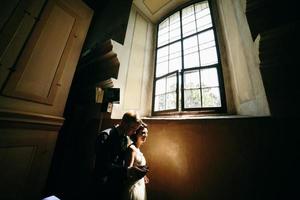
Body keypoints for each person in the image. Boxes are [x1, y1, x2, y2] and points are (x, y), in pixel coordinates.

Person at [93, 111, 148, 200]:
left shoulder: (126, 139)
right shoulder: (106, 136)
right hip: (104, 183)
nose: (134, 132)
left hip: (117, 184)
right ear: (124, 123)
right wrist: (127, 170)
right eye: (133, 128)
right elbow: (103, 164)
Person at [123, 123, 149, 200]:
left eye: (147, 133)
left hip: (140, 184)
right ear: (136, 134)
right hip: (133, 186)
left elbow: (137, 165)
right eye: (143, 133)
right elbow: (129, 170)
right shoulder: (132, 149)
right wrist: (139, 172)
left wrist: (143, 175)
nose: (146, 135)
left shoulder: (138, 149)